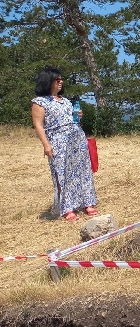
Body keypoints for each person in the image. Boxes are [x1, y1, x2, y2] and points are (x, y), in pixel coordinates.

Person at [30, 67, 98, 221]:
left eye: (61, 79)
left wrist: (78, 116)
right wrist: (46, 145)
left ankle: (87, 202)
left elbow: (72, 120)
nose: (61, 82)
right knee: (62, 173)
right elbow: (39, 125)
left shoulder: (66, 101)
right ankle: (67, 208)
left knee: (82, 171)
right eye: (57, 79)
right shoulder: (39, 102)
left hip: (77, 139)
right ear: (48, 81)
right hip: (58, 141)